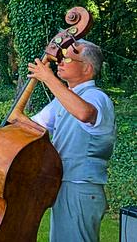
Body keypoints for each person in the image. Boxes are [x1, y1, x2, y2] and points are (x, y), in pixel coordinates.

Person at [25, 41, 116, 242]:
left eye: (67, 58)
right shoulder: (63, 98)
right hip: (64, 183)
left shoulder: (96, 96)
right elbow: (30, 125)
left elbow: (85, 113)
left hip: (81, 186)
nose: (60, 61)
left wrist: (48, 78)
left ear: (87, 68)